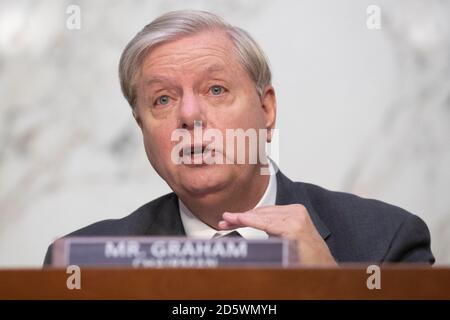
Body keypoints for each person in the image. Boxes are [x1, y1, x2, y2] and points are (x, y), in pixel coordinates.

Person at [44, 10, 434, 266]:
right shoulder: (83, 263)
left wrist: (332, 290)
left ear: (266, 110)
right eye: (163, 99)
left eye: (216, 90)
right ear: (141, 127)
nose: (190, 115)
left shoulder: (387, 243)